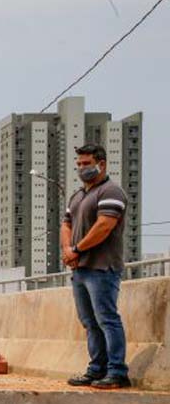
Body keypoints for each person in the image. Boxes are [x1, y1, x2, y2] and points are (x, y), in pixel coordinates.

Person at [63, 144, 131, 390]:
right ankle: (96, 369)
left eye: (86, 163)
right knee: (89, 322)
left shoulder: (111, 191)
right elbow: (66, 224)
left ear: (101, 164)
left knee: (107, 319)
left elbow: (104, 226)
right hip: (80, 269)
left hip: (102, 268)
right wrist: (67, 251)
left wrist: (77, 249)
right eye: (79, 164)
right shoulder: (78, 195)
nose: (82, 168)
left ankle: (117, 371)